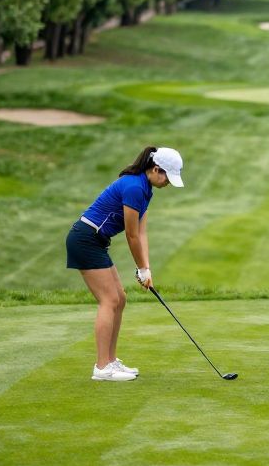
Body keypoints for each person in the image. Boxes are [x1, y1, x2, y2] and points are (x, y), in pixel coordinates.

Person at [65, 146, 185, 381]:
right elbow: (130, 236)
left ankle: (111, 361)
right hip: (85, 239)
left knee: (120, 299)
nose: (168, 183)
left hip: (95, 241)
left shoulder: (145, 189)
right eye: (167, 177)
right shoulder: (133, 187)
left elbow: (142, 233)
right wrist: (140, 268)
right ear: (156, 169)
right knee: (109, 300)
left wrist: (146, 268)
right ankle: (101, 368)